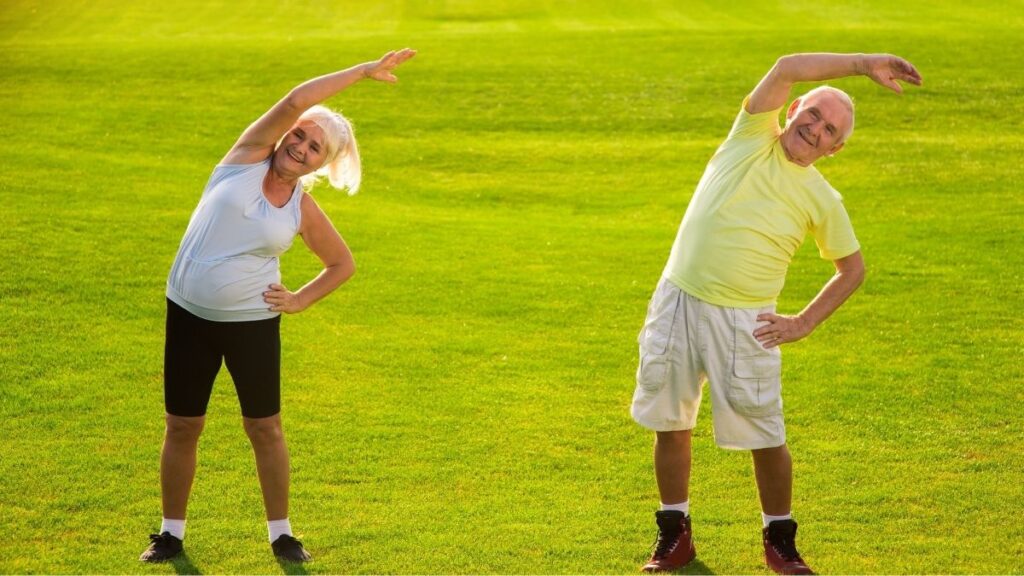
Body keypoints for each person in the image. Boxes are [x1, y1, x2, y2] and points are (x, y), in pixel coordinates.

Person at [632, 53, 921, 574]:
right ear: (792, 110)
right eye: (813, 114)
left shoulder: (822, 198)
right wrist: (863, 64)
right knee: (670, 423)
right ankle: (674, 536)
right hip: (678, 302)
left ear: (835, 149)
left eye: (830, 130)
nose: (816, 129)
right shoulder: (749, 137)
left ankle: (779, 541)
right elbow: (787, 66)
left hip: (746, 324)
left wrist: (803, 322)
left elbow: (852, 269)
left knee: (766, 438)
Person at [139, 48, 417, 563]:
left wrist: (299, 300)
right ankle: (169, 533)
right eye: (300, 136)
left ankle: (282, 534)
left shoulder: (302, 208)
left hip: (253, 325)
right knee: (182, 425)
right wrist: (361, 72)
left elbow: (342, 263)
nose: (300, 147)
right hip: (188, 316)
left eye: (315, 148)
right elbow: (295, 99)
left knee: (264, 428)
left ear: (321, 163)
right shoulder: (243, 158)